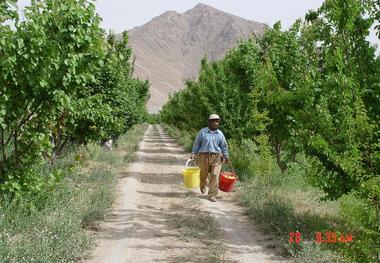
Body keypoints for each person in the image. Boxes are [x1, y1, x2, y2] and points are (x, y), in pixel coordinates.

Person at [190, 114, 231, 202]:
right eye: (212, 121)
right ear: (209, 122)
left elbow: (224, 147)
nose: (214, 123)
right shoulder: (203, 132)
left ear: (218, 123)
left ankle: (212, 195)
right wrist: (193, 153)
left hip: (216, 157)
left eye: (216, 121)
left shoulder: (220, 134)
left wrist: (226, 157)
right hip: (202, 156)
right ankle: (203, 185)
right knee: (202, 176)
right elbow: (197, 144)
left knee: (215, 176)